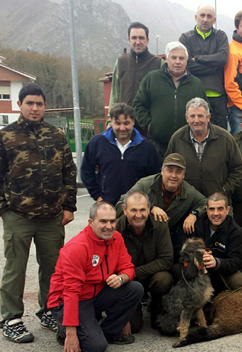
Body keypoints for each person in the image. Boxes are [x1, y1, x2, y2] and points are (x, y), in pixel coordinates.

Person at [0, 84, 77, 343]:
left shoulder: (57, 135)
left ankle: (49, 309)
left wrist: (69, 207)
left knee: (53, 268)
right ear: (19, 104)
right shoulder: (6, 137)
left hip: (52, 217)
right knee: (15, 268)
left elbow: (69, 172)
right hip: (18, 215)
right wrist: (4, 210)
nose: (35, 108)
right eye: (30, 103)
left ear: (45, 106)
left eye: (39, 103)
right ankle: (11, 318)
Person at [48, 202, 144, 351]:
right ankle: (65, 329)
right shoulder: (77, 248)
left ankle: (108, 332)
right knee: (96, 347)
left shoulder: (116, 238)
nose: (109, 226)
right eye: (103, 221)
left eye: (112, 221)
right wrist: (71, 333)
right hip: (69, 301)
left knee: (134, 288)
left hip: (95, 294)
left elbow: (128, 267)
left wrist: (121, 278)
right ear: (91, 223)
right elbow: (71, 292)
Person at [115, 153, 207, 261]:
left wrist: (194, 214)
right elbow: (119, 206)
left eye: (178, 171)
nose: (173, 175)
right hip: (138, 236)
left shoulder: (189, 192)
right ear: (162, 171)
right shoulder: (144, 185)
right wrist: (150, 208)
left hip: (166, 241)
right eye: (170, 170)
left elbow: (206, 203)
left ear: (183, 175)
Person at [133, 41, 207, 157]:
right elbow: (138, 104)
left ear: (186, 61)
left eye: (181, 58)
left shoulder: (196, 84)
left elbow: (205, 110)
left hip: (188, 145)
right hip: (158, 145)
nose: (178, 62)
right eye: (174, 57)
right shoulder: (152, 79)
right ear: (167, 59)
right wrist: (149, 126)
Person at [166, 97, 242, 202]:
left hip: (218, 204)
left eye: (200, 116)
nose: (196, 120)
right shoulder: (177, 138)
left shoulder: (225, 138)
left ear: (208, 117)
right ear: (186, 118)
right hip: (187, 202)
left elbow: (238, 169)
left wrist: (224, 190)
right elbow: (167, 168)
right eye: (192, 116)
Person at [81, 103, 161, 205]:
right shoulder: (98, 143)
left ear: (133, 121)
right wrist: (97, 196)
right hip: (107, 205)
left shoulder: (146, 146)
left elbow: (154, 178)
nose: (122, 128)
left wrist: (148, 202)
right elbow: (86, 170)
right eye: (118, 123)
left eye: (126, 123)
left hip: (136, 207)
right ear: (111, 122)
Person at [117, 191, 173, 332]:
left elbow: (167, 260)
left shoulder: (160, 225)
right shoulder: (116, 229)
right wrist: (127, 277)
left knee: (164, 279)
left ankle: (156, 308)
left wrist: (134, 272)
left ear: (149, 209)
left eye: (143, 209)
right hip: (128, 282)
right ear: (124, 210)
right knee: (134, 327)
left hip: (150, 275)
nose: (138, 215)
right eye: (133, 210)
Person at [179, 5, 229, 130]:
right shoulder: (185, 38)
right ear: (196, 17)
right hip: (193, 96)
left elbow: (223, 58)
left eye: (209, 16)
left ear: (214, 20)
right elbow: (187, 65)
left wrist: (198, 58)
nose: (205, 19)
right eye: (202, 15)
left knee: (219, 137)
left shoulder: (221, 36)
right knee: (193, 134)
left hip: (218, 98)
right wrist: (213, 67)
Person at [109, 22, 163, 135]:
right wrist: (110, 120)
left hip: (149, 128)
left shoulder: (159, 64)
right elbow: (114, 94)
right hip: (124, 127)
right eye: (134, 38)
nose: (137, 42)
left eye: (141, 38)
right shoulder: (120, 62)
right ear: (129, 39)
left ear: (147, 40)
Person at [188, 192, 242, 294]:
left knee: (238, 280)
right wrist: (198, 256)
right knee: (179, 269)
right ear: (206, 210)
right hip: (197, 268)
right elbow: (181, 249)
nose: (215, 213)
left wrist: (216, 262)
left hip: (221, 272)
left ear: (227, 210)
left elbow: (236, 262)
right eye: (211, 209)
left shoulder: (236, 232)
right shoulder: (197, 225)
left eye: (220, 209)